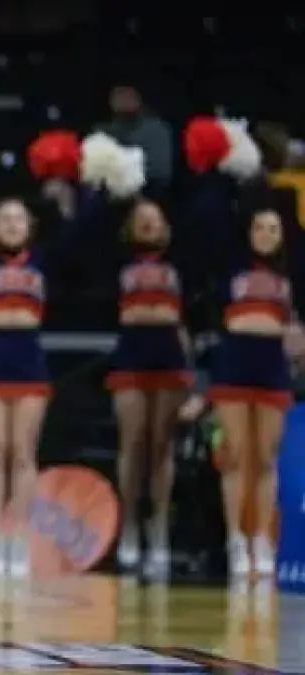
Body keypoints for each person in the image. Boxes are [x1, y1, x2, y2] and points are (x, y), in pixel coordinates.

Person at [104, 200, 191, 576]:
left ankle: (159, 530)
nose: (148, 224)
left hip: (168, 354)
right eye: (141, 220)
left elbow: (187, 317)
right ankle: (129, 526)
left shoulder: (181, 263)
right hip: (132, 353)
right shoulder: (117, 261)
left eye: (155, 219)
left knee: (162, 445)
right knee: (133, 442)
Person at [0, 199, 51, 578]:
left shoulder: (42, 263)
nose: (13, 225)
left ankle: (18, 536)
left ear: (31, 226)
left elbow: (81, 229)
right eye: (5, 218)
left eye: (20, 218)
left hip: (29, 359)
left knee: (22, 451)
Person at [209, 208, 294, 577]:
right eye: (259, 227)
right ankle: (235, 540)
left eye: (273, 228)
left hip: (272, 366)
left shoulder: (293, 275)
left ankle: (261, 538)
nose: (266, 233)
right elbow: (215, 314)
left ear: (282, 235)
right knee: (236, 454)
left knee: (265, 458)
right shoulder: (231, 269)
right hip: (235, 363)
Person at [98, 85, 173, 194]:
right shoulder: (102, 133)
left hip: (150, 193)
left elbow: (160, 173)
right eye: (120, 95)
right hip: (109, 194)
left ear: (138, 99)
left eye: (129, 95)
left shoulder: (156, 129)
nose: (124, 99)